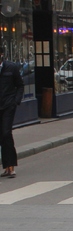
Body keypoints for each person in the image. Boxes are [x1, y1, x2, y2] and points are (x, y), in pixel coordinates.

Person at [0, 47, 24, 178]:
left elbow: (20, 85)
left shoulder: (11, 68)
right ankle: (6, 167)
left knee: (6, 132)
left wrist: (16, 101)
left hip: (8, 105)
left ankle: (11, 166)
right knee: (2, 136)